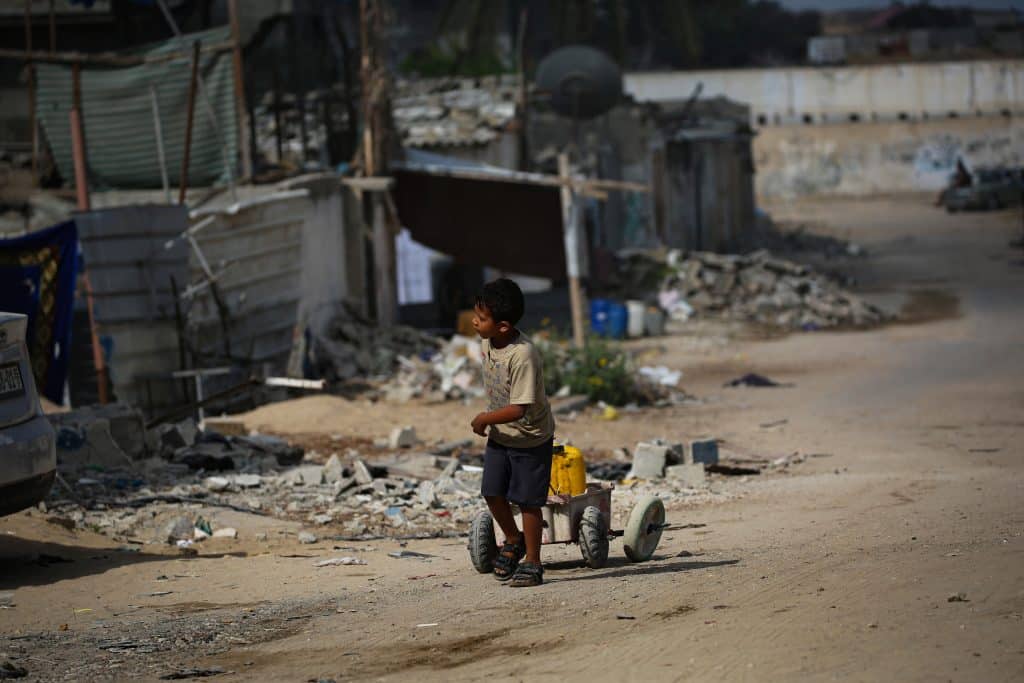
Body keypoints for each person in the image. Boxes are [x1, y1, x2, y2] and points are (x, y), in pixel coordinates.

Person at [470, 278, 555, 587]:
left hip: (530, 437)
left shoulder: (523, 356)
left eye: (480, 319)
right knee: (492, 491)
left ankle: (533, 562)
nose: (473, 322)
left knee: (528, 501)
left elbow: (519, 408)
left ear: (503, 326)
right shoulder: (488, 342)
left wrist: (484, 418)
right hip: (502, 435)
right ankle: (512, 538)